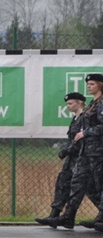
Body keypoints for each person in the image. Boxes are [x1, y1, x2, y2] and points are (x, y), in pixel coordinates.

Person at [48, 74, 103, 230]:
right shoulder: (93, 103)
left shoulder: (101, 104)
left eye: (92, 84)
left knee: (99, 185)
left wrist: (86, 133)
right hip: (86, 152)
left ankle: (101, 217)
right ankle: (68, 216)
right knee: (77, 182)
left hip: (98, 151)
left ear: (100, 85)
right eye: (88, 84)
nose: (89, 86)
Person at [35, 92, 98, 227]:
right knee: (63, 183)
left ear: (79, 103)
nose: (68, 106)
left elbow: (82, 141)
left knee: (89, 188)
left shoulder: (84, 118)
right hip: (73, 159)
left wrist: (68, 150)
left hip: (82, 158)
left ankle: (74, 217)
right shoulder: (76, 119)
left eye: (70, 103)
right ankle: (55, 215)